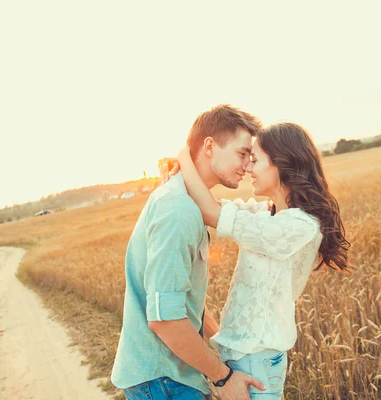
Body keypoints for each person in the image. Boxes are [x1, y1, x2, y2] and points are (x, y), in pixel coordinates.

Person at [162, 122, 350, 398]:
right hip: (246, 355)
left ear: (282, 164)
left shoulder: (298, 226)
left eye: (255, 159)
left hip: (255, 360)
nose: (248, 168)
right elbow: (210, 208)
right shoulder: (267, 214)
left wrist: (184, 157)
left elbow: (212, 213)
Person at [111, 104, 268, 400]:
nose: (248, 165)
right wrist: (224, 378)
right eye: (241, 153)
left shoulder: (186, 201)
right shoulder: (178, 209)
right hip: (163, 379)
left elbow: (180, 299)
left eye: (251, 156)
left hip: (169, 375)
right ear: (210, 146)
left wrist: (221, 347)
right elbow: (165, 319)